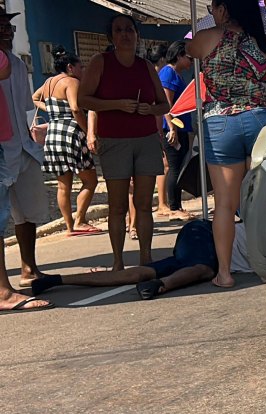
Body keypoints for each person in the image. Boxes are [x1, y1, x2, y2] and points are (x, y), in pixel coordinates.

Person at [187, 0, 266, 289]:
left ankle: (224, 273)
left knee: (225, 204)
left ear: (223, 9)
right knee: (260, 197)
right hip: (259, 120)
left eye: (212, 8)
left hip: (220, 123)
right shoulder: (264, 42)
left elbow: (189, 51)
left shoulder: (205, 38)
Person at [79, 14, 170, 272]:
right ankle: (118, 262)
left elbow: (164, 105)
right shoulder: (100, 62)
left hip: (146, 140)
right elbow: (83, 100)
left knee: (144, 204)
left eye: (129, 29)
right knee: (118, 206)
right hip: (114, 141)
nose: (125, 34)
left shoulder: (146, 66)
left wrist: (150, 109)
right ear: (111, 36)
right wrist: (117, 105)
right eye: (119, 30)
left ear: (137, 34)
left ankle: (146, 258)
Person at [31, 219, 254, 301]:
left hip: (198, 238)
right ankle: (161, 286)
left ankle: (57, 280)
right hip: (205, 235)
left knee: (141, 272)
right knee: (203, 270)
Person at [0, 10, 51, 289]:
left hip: (23, 147)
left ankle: (29, 267)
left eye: (9, 26)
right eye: (1, 26)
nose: (8, 31)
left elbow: (23, 108)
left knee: (28, 212)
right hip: (2, 150)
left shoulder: (18, 65)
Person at [32, 47, 100, 238]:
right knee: (90, 180)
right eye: (80, 66)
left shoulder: (49, 82)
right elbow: (76, 109)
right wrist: (88, 131)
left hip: (53, 134)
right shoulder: (71, 82)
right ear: (70, 67)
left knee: (63, 186)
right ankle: (80, 220)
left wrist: (53, 110)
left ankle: (70, 227)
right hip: (71, 134)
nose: (83, 70)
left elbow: (35, 98)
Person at [158, 40, 195, 220]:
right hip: (172, 129)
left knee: (180, 167)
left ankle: (177, 205)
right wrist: (172, 128)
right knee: (174, 168)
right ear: (179, 56)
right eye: (189, 58)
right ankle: (174, 207)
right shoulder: (168, 73)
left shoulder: (177, 75)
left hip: (181, 127)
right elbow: (166, 103)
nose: (191, 62)